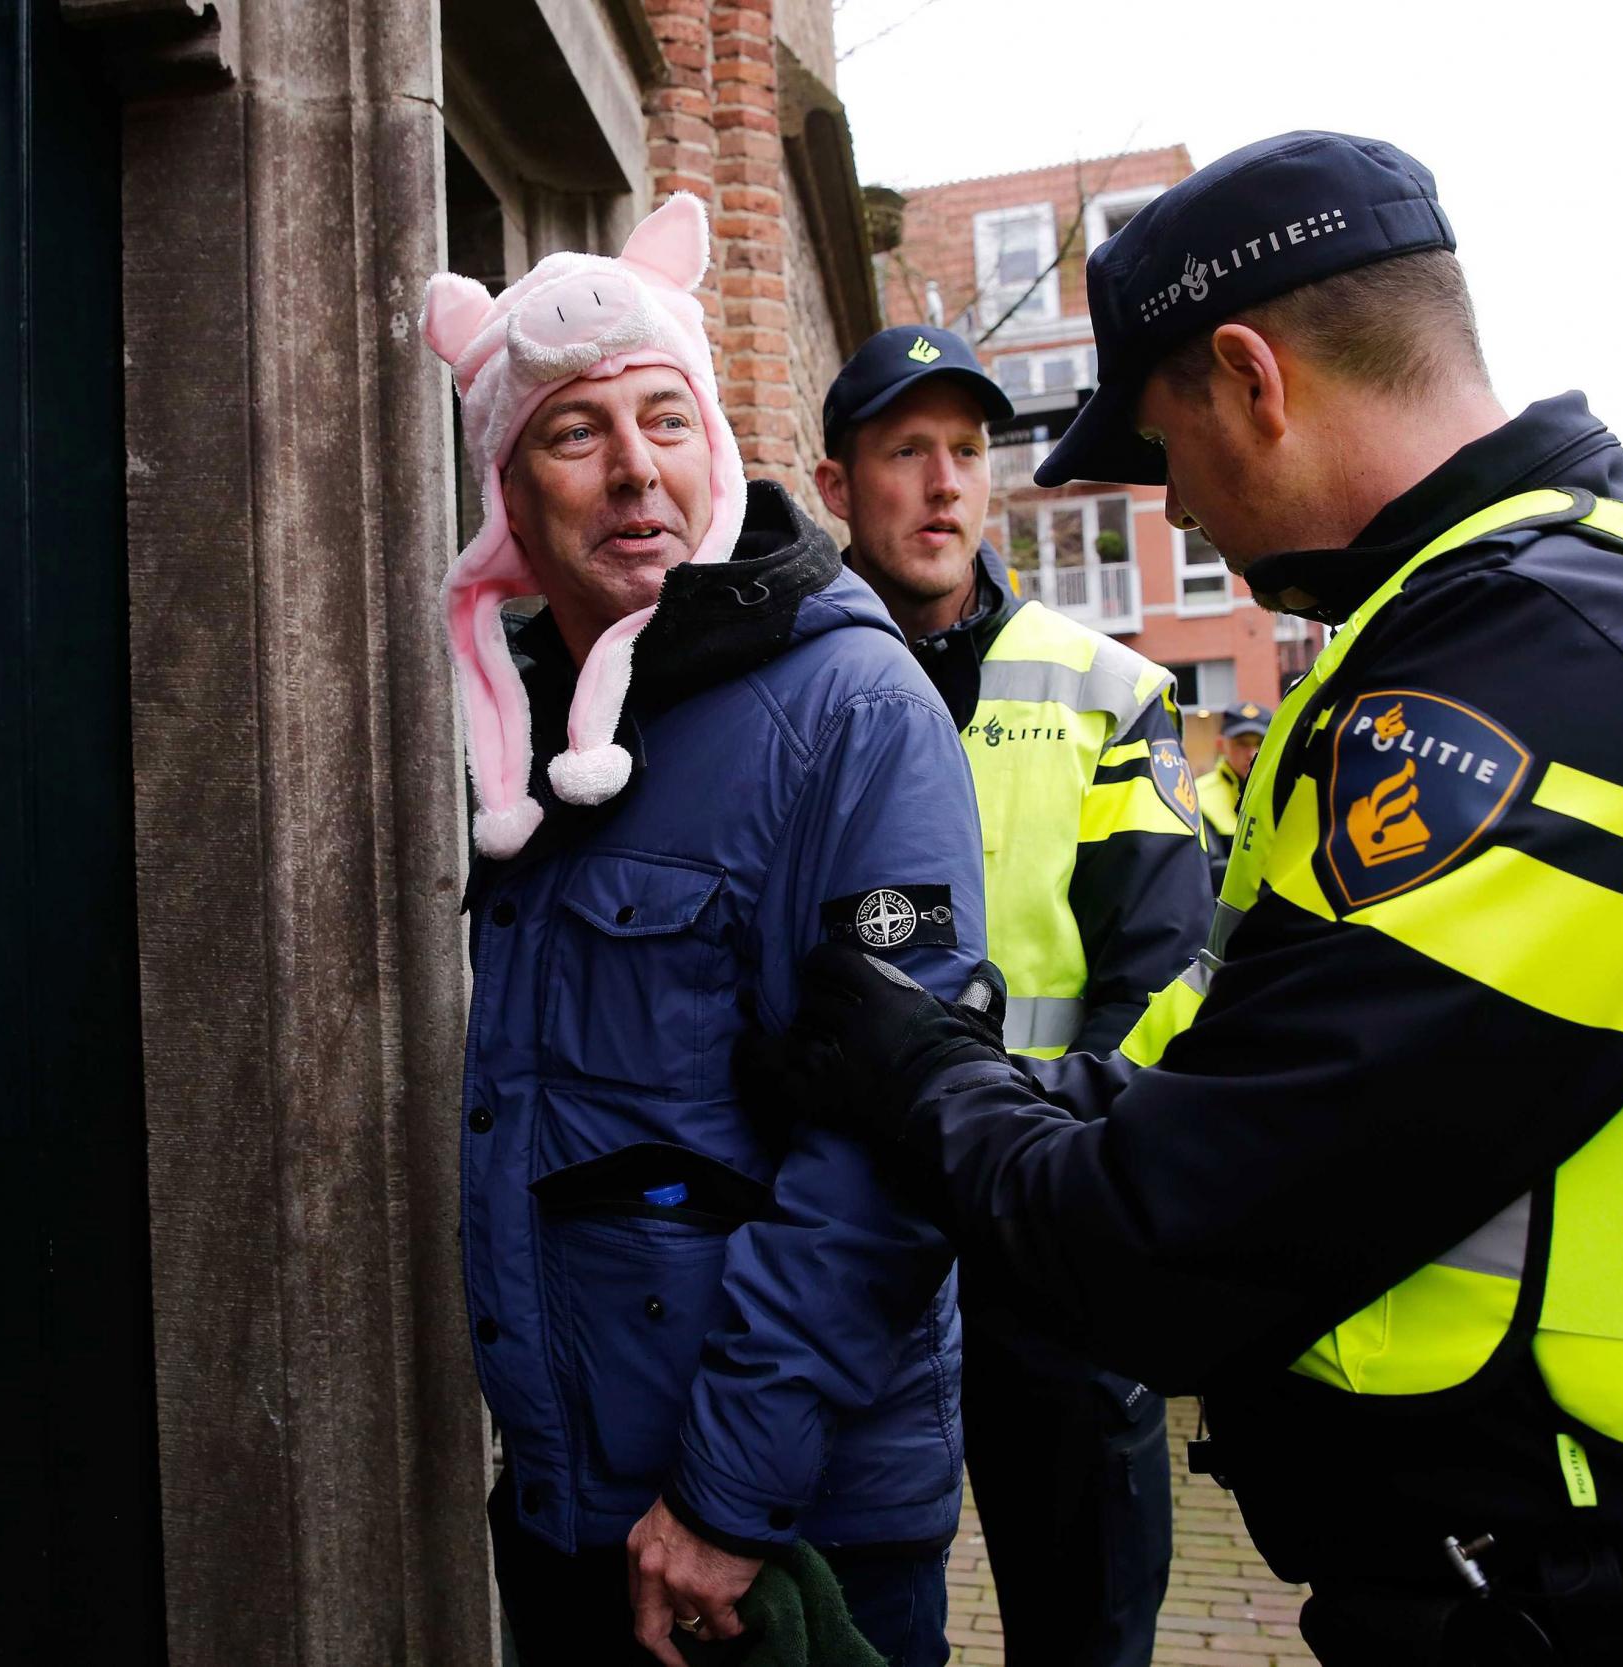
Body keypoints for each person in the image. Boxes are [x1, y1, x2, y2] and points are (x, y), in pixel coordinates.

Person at [741, 132, 1623, 1663]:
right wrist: (1002, 1082)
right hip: (1560, 1560)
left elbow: (1162, 1240)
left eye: (1166, 453)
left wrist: (923, 1076)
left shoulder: (1546, 672)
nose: (1175, 516)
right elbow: (1215, 1057)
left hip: (1617, 1582)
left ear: (1253, 377)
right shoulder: (1511, 624)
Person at [423, 195, 982, 1667]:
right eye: (574, 434)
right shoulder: (519, 732)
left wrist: (726, 1497)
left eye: (667, 419)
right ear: (509, 491)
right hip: (575, 1503)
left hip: (775, 1536)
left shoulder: (853, 712)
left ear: (720, 448)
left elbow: (886, 1151)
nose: (634, 473)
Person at [815, 324, 1211, 1667]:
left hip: (1050, 1223)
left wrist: (1021, 1138)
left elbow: (1162, 975)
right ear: (835, 486)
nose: (942, 484)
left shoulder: (1108, 690)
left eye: (967, 452)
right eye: (905, 450)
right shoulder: (787, 692)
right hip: (848, 1235)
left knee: (1086, 1622)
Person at [1200, 698, 1267, 887]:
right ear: (1222, 745)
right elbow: (1207, 872)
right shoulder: (1198, 795)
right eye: (1242, 743)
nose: (1252, 753)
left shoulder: (1285, 791)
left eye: (1260, 743)